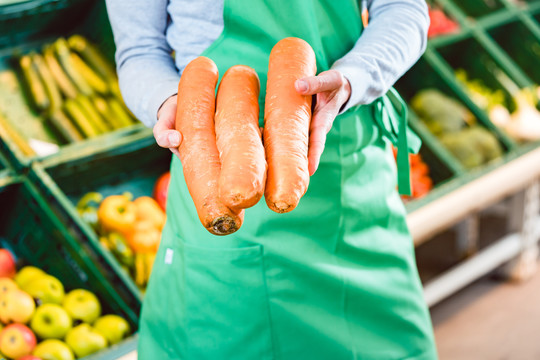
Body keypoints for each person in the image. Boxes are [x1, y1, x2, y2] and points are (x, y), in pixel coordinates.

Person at [106, 0, 437, 359]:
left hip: (350, 174)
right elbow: (139, 50)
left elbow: (403, 9)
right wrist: (175, 105)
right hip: (217, 172)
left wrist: (355, 76)